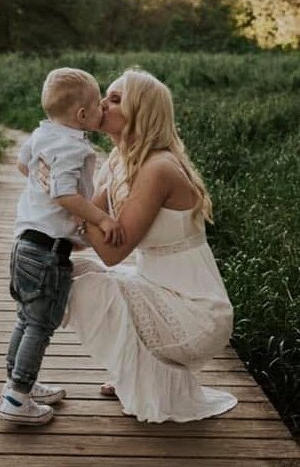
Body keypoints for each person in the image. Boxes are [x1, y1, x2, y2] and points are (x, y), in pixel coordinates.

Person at [64, 68, 238, 423]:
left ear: (141, 113)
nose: (103, 104)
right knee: (66, 268)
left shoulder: (157, 168)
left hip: (195, 312)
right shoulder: (118, 161)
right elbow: (83, 233)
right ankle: (28, 378)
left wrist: (70, 203)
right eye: (105, 97)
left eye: (115, 99)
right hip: (158, 289)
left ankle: (140, 372)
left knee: (91, 283)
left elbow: (112, 253)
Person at [0, 68, 125, 425]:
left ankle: (18, 382)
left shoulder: (43, 133)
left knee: (26, 318)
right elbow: (65, 192)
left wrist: (44, 179)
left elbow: (24, 165)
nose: (103, 108)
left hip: (24, 243)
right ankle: (17, 397)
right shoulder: (71, 147)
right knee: (40, 324)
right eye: (98, 105)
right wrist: (101, 219)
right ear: (82, 116)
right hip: (47, 252)